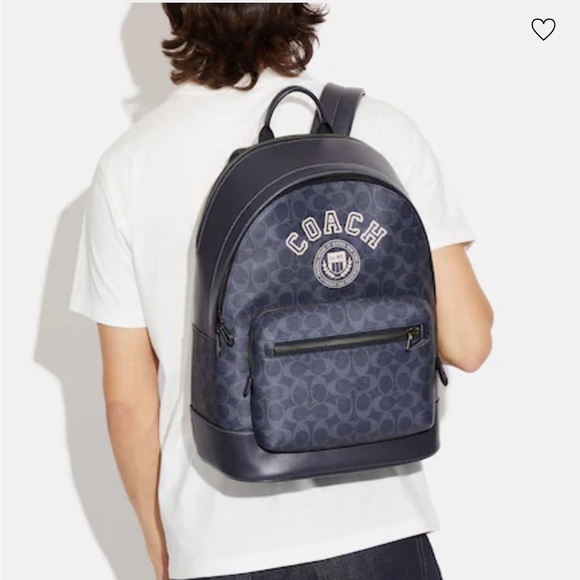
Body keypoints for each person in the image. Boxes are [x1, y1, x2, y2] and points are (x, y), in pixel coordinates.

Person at [68, 4, 494, 580]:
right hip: (378, 527)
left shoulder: (128, 166)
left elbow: (127, 400)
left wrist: (157, 538)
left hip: (220, 541)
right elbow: (468, 342)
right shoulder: (379, 130)